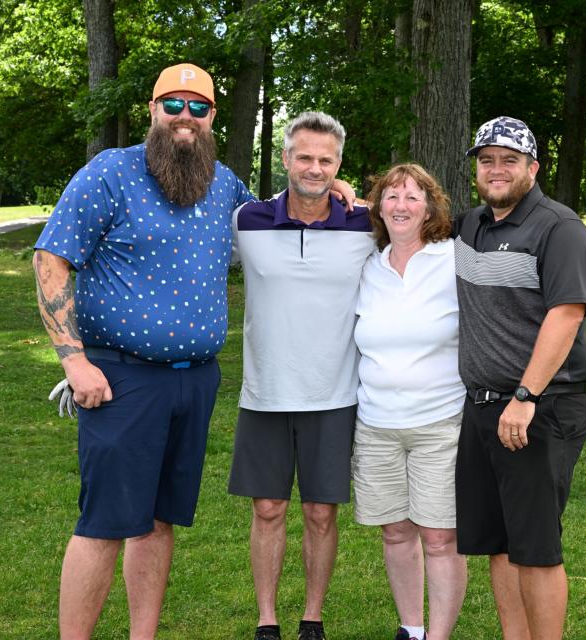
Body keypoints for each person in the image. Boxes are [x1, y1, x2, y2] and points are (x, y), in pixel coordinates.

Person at [33, 64, 355, 640]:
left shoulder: (222, 184)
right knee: (104, 522)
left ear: (210, 117)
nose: (186, 117)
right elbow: (51, 259)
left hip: (194, 382)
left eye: (199, 107)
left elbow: (278, 214)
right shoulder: (111, 173)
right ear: (152, 109)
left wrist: (332, 190)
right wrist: (73, 359)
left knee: (158, 523)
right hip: (120, 380)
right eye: (174, 104)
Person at [228, 111, 375, 640]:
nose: (314, 168)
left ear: (338, 165)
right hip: (264, 393)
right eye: (305, 157)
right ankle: (267, 620)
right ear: (286, 159)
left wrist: (358, 194)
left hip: (335, 394)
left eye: (326, 160)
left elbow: (419, 223)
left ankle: (312, 618)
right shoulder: (247, 220)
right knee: (267, 509)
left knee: (319, 513)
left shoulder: (366, 224)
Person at [453, 116, 586, 640]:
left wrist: (525, 395)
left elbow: (567, 315)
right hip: (483, 408)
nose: (496, 170)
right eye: (486, 160)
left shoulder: (559, 229)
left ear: (532, 168)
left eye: (509, 160)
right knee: (500, 543)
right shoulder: (469, 226)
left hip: (539, 408)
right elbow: (405, 213)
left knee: (534, 550)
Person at [351, 164, 467, 640]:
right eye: (391, 196)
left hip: (440, 421)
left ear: (430, 207)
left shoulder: (454, 258)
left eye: (412, 197)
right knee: (395, 531)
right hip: (376, 423)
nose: (401, 206)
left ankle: (437, 637)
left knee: (440, 537)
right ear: (377, 207)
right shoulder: (368, 266)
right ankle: (411, 629)